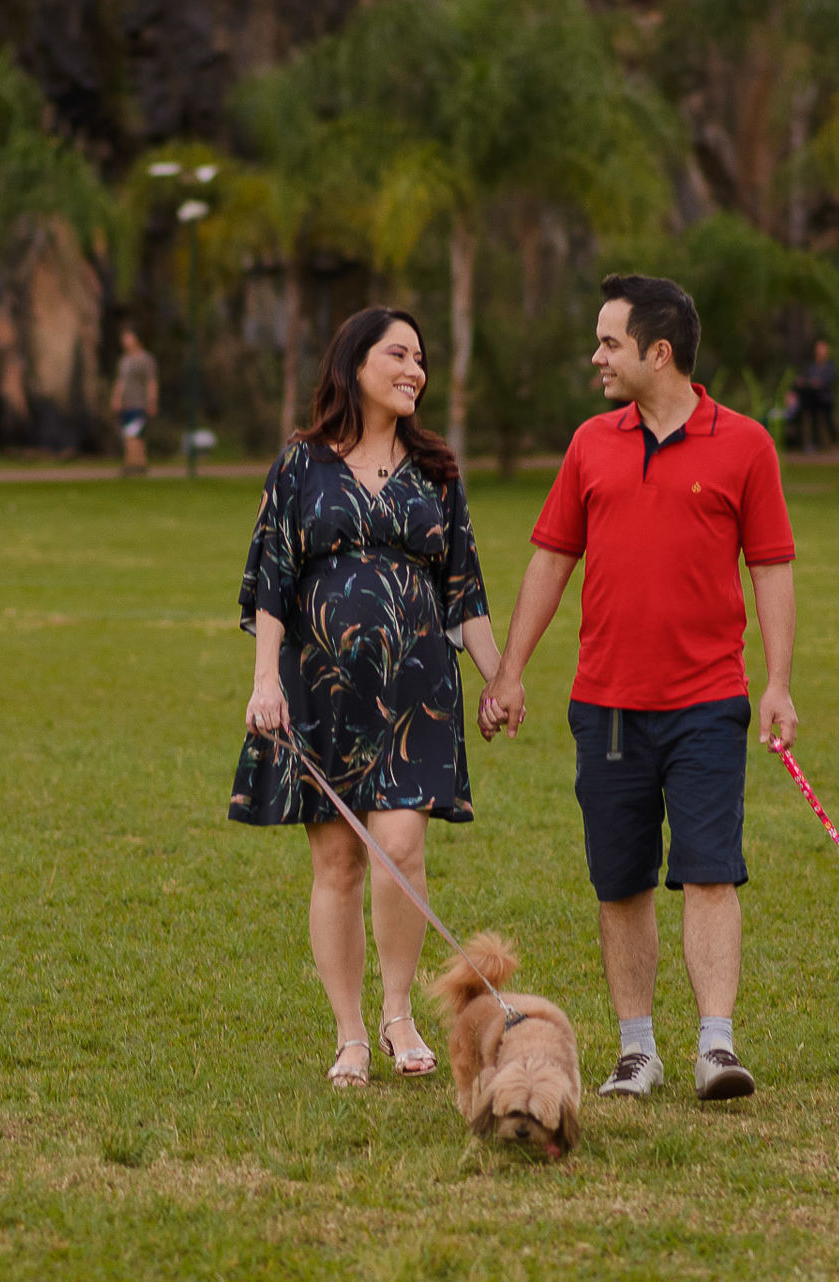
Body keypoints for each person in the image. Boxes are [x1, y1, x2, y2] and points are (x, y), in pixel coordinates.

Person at [479, 274, 799, 1103]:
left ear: (659, 353)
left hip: (707, 702)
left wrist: (779, 683)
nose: (597, 357)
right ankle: (636, 1052)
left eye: (609, 343)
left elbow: (771, 567)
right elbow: (552, 558)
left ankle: (716, 1048)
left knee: (708, 870)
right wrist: (510, 671)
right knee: (620, 879)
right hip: (609, 706)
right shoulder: (591, 443)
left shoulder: (747, 445)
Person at [229, 307, 501, 1089]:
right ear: (354, 363)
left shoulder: (437, 470)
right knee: (339, 861)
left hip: (417, 691)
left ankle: (398, 1013)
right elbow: (272, 580)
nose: (416, 369)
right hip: (321, 692)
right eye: (400, 355)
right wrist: (264, 682)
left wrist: (498, 676)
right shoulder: (300, 464)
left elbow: (465, 590)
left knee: (402, 850)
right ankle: (350, 1034)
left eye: (422, 358)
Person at [112, 328, 158, 474]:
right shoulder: (124, 360)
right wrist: (116, 398)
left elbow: (151, 381)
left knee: (135, 434)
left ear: (136, 339)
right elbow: (120, 381)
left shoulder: (146, 359)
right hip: (126, 403)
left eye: (128, 338)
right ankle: (135, 464)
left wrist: (152, 401)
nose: (125, 341)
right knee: (129, 434)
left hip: (139, 403)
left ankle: (135, 464)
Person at [791, 339, 837, 452]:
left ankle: (834, 443)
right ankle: (814, 445)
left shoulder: (830, 367)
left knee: (829, 421)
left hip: (825, 399)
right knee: (812, 421)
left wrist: (816, 383)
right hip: (812, 399)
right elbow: (804, 380)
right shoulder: (810, 367)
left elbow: (827, 381)